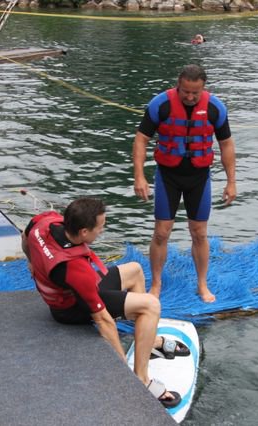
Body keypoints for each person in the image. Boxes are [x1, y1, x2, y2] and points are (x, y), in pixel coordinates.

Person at [21, 196, 190, 407]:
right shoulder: (75, 269)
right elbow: (104, 321)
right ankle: (140, 380)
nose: (102, 230)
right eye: (100, 227)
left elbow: (25, 236)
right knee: (151, 305)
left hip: (74, 288)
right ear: (84, 232)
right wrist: (121, 370)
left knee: (136, 270)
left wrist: (31, 263)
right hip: (71, 308)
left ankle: (150, 341)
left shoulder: (45, 222)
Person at [132, 64, 237, 303]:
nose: (190, 97)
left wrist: (231, 182)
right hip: (168, 175)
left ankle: (202, 284)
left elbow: (227, 144)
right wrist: (139, 176)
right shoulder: (161, 104)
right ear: (178, 85)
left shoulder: (214, 107)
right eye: (185, 92)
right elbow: (141, 139)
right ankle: (156, 283)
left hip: (198, 177)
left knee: (199, 233)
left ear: (203, 88)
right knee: (161, 232)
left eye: (195, 93)